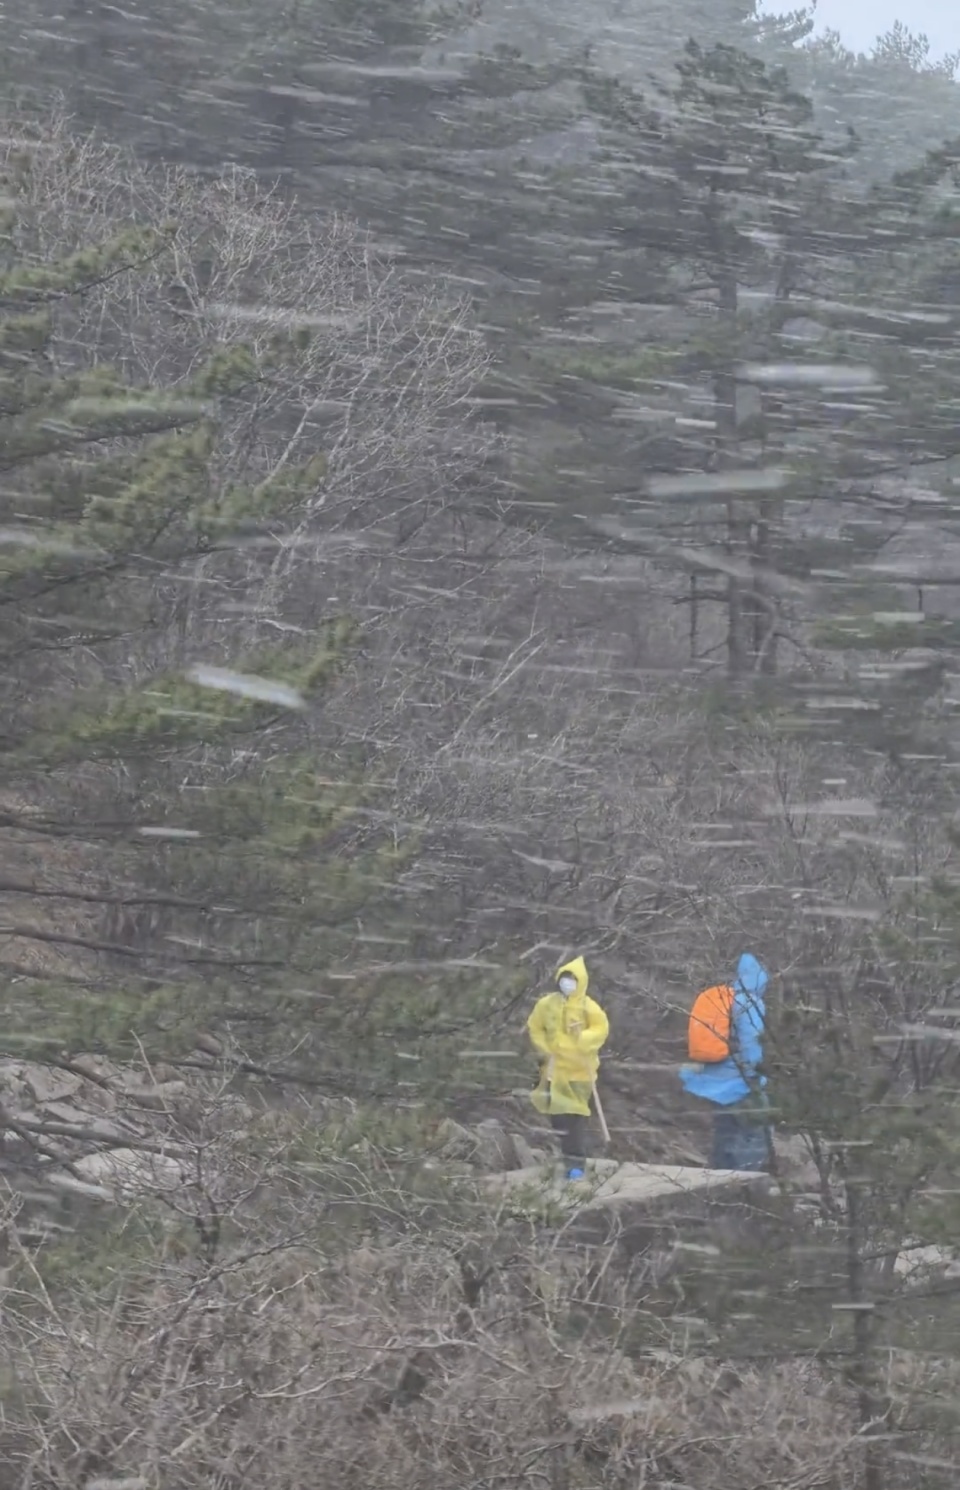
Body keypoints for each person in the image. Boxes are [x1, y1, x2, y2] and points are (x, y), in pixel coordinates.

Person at [680, 952, 771, 1172]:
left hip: (715, 1080)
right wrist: (757, 1075)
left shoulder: (725, 1000)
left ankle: (722, 1179)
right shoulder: (750, 1003)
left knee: (725, 1132)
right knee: (755, 1132)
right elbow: (752, 1045)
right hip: (740, 1081)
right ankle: (748, 1181)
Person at [527, 955, 609, 1180]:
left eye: (572, 979)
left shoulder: (588, 1007)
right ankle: (572, 1156)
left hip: (580, 1072)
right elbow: (535, 1027)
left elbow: (601, 1029)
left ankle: (575, 1163)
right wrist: (545, 1049)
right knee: (560, 1119)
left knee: (575, 1117)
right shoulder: (547, 1004)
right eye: (564, 978)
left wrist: (583, 1037)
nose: (567, 983)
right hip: (554, 1071)